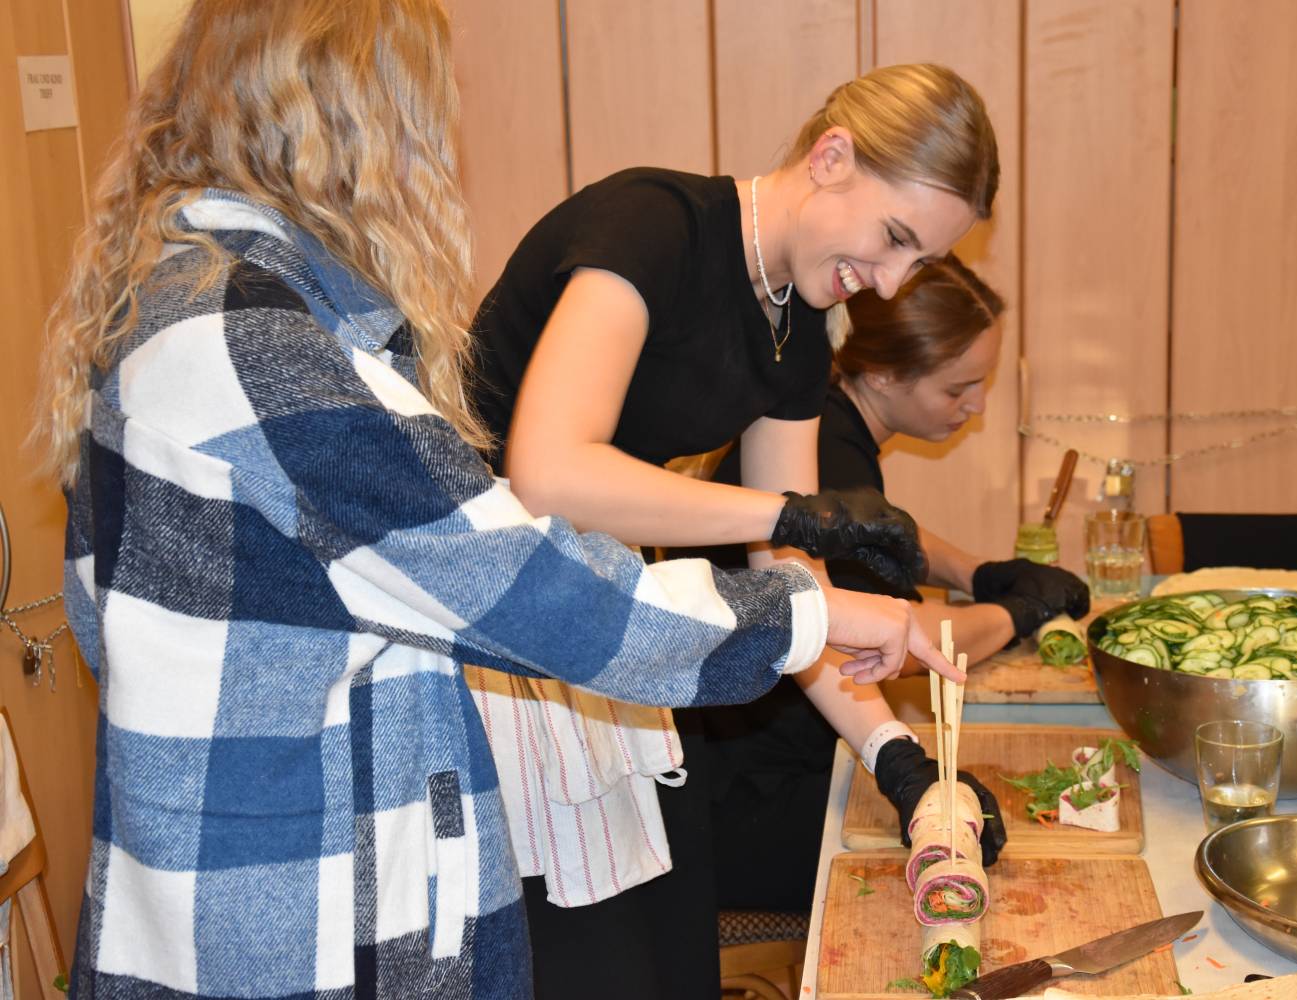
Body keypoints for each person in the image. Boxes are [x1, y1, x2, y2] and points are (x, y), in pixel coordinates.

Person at [34, 4, 959, 998]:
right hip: (275, 918)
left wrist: (893, 748)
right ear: (336, 129)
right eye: (422, 123)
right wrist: (800, 579)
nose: (432, 160)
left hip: (289, 861)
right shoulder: (257, 349)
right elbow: (536, 569)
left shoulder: (203, 315)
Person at [466, 64, 1007, 999]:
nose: (886, 284)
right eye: (893, 239)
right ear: (831, 157)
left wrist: (905, 769)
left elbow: (791, 591)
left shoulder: (799, 329)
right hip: (482, 629)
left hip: (605, 616)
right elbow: (547, 473)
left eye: (914, 264)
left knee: (674, 951)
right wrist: (789, 515)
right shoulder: (651, 227)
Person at [688, 255, 1092, 913]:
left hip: (774, 754)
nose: (978, 404)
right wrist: (1016, 612)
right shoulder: (827, 446)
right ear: (879, 372)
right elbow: (897, 638)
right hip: (750, 796)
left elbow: (884, 536)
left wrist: (979, 573)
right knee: (1007, 875)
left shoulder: (833, 418)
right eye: (958, 387)